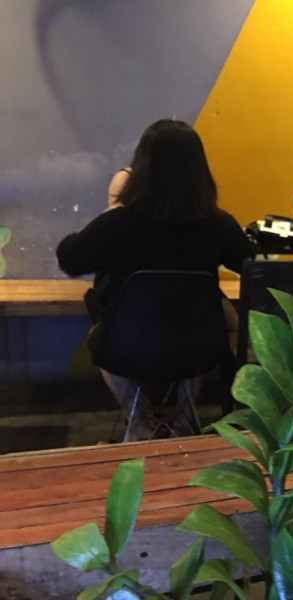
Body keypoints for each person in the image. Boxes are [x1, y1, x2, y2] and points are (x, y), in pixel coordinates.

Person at [57, 119, 255, 440]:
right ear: (199, 170)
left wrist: (103, 217)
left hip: (126, 348)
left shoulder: (117, 223)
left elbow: (70, 260)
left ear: (142, 167)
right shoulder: (219, 224)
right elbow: (252, 266)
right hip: (200, 350)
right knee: (205, 326)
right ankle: (184, 420)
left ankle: (138, 424)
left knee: (101, 336)